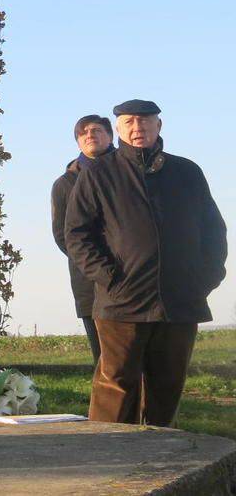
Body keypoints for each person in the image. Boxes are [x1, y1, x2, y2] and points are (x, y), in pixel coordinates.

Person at [65, 99, 228, 426]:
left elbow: (213, 230)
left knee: (167, 386)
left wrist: (204, 279)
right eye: (129, 123)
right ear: (119, 130)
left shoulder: (187, 172)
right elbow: (77, 234)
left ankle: (160, 460)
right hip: (121, 301)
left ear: (159, 126)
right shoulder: (98, 174)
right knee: (116, 385)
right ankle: (105, 458)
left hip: (179, 301)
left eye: (145, 122)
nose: (138, 129)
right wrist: (110, 278)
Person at [50, 114, 115, 363]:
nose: (90, 135)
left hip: (139, 277)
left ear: (110, 136)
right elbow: (63, 235)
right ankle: (108, 403)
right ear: (78, 142)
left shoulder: (133, 172)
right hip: (91, 280)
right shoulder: (65, 184)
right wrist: (100, 267)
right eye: (83, 132)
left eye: (97, 130)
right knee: (104, 359)